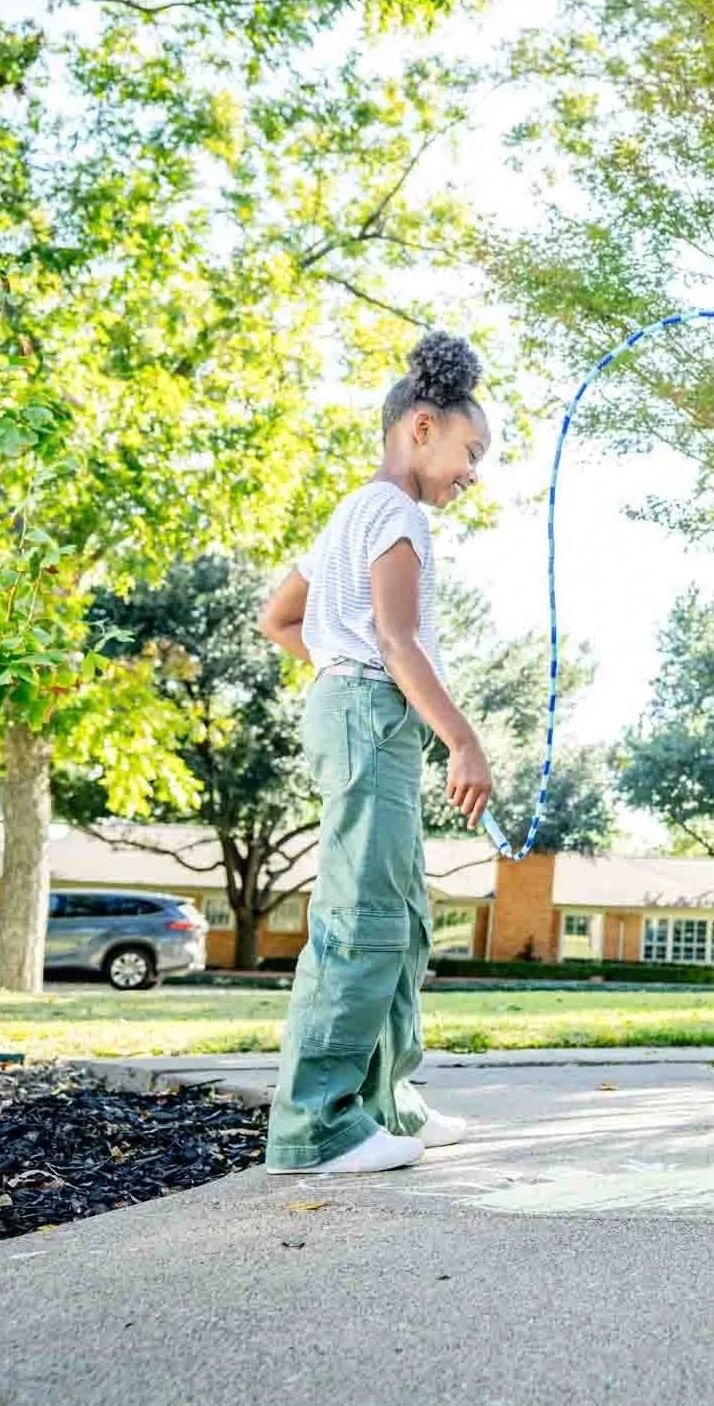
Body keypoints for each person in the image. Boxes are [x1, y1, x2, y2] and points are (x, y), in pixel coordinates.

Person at [257, 332, 496, 1174]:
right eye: (471, 451)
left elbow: (280, 619)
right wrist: (461, 738)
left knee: (400, 915)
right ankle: (314, 1128)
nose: (473, 473)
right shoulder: (394, 511)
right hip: (371, 710)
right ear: (421, 427)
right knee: (363, 917)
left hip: (361, 711)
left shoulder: (347, 517)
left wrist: (335, 654)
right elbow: (395, 640)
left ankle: (386, 1102)